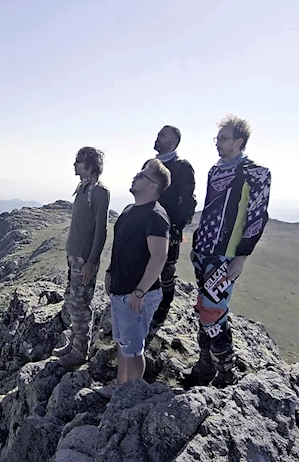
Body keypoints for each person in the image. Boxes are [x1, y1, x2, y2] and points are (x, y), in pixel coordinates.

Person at [183, 115, 271, 388]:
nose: (218, 143)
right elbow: (209, 210)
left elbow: (257, 216)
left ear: (239, 141)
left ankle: (226, 373)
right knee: (204, 309)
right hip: (204, 251)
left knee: (213, 310)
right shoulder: (215, 170)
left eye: (223, 138)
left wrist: (242, 256)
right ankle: (205, 366)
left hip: (226, 254)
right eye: (217, 138)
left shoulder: (255, 173)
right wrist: (197, 243)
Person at [100, 159, 171, 394]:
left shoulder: (156, 216)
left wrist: (140, 291)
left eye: (142, 176)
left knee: (134, 349)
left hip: (137, 295)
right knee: (124, 344)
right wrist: (110, 272)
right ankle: (120, 386)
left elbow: (159, 257)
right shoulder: (130, 210)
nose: (135, 177)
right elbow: (122, 246)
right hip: (122, 291)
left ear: (153, 186)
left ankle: (132, 394)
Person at [54, 147, 110, 368]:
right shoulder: (83, 187)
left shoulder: (99, 191)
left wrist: (92, 262)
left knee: (80, 303)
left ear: (90, 164)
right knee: (72, 299)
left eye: (78, 161)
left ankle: (79, 351)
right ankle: (74, 343)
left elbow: (101, 230)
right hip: (74, 256)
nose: (74, 165)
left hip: (84, 259)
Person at [146, 125, 196, 337]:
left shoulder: (182, 167)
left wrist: (176, 227)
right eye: (158, 134)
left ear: (174, 141)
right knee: (145, 266)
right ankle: (146, 303)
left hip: (168, 230)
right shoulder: (149, 165)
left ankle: (162, 310)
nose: (157, 138)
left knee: (166, 271)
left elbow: (189, 200)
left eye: (163, 135)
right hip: (146, 228)